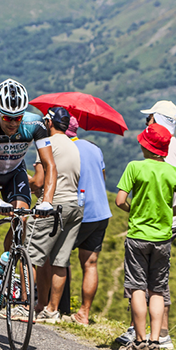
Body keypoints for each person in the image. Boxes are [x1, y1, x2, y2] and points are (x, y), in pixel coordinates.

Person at [0, 79, 57, 313]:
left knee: (21, 218)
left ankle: (5, 263)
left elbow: (49, 165)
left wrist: (47, 200)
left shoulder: (35, 124)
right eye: (7, 118)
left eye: (17, 118)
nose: (12, 123)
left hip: (14, 172)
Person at [116, 101, 176, 349]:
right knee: (158, 289)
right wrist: (170, 211)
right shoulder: (174, 169)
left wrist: (133, 209)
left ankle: (139, 338)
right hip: (163, 235)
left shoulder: (135, 167)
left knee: (137, 287)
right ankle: (156, 340)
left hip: (139, 234)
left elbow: (120, 200)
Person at [28, 107, 83, 323]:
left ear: (49, 123)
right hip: (74, 206)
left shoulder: (47, 144)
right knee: (60, 261)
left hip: (53, 205)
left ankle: (27, 305)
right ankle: (51, 310)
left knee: (32, 257)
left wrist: (25, 179)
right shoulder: (73, 145)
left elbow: (40, 181)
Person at [66, 116, 112, 326]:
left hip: (80, 211)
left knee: (57, 256)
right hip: (101, 212)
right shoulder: (94, 147)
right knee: (90, 263)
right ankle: (84, 314)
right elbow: (102, 178)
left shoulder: (64, 149)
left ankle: (56, 305)